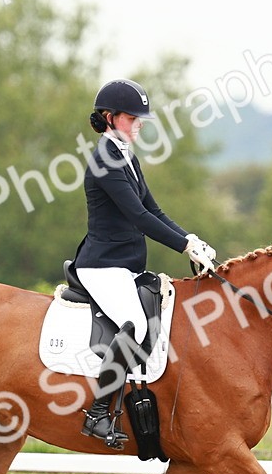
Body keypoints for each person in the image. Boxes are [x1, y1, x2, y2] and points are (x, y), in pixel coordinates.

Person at [74, 78, 218, 447]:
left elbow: (153, 209)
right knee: (134, 324)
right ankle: (97, 414)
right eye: (132, 116)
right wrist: (183, 246)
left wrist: (192, 239)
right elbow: (138, 217)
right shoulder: (104, 160)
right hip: (103, 266)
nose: (139, 123)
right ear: (109, 118)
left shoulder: (126, 155)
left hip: (126, 265)